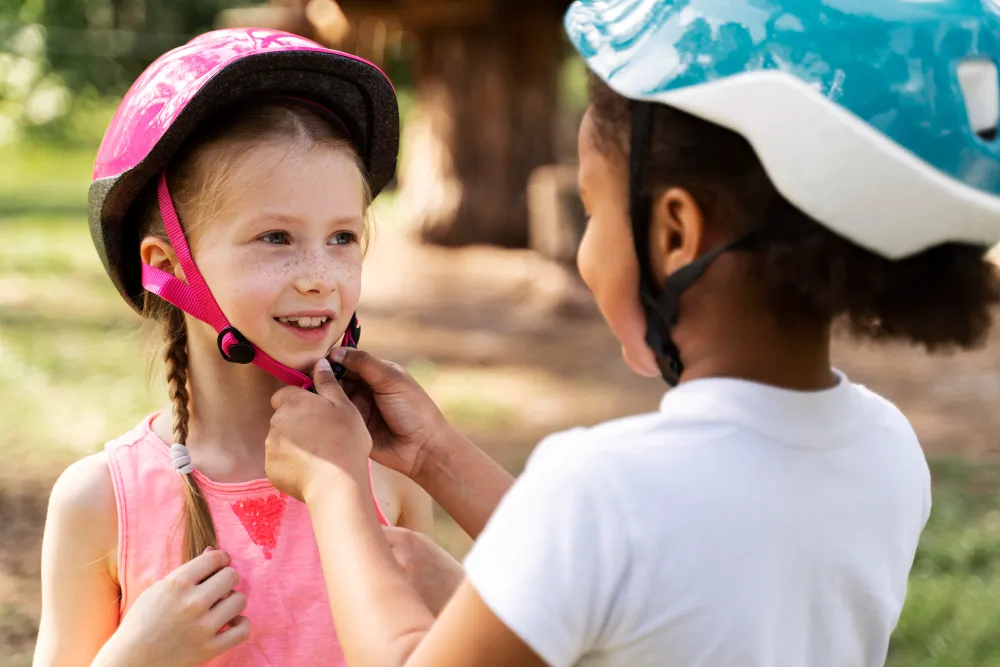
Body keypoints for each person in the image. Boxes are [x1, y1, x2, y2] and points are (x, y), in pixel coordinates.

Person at [263, 1, 1000, 666]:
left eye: (592, 207)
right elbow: (635, 561)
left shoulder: (602, 489)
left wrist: (334, 486)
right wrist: (437, 454)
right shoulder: (885, 446)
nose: (585, 245)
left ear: (675, 230)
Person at [33, 28, 432, 667]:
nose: (319, 275)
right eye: (275, 237)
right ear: (169, 263)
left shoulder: (384, 477)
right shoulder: (101, 500)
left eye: (342, 238)